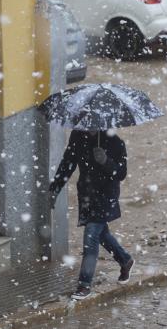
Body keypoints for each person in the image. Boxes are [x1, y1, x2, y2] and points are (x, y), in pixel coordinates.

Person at [48, 128, 134, 300]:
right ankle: (125, 260)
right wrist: (55, 188)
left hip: (106, 195)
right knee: (101, 234)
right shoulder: (78, 136)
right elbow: (68, 163)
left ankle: (84, 284)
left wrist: (106, 161)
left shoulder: (115, 142)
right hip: (87, 194)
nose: (90, 125)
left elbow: (121, 174)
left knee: (91, 236)